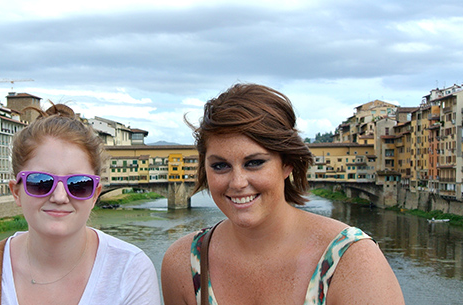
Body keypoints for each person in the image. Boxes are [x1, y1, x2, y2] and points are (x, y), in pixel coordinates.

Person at [161, 84, 404, 305]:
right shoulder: (184, 264)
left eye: (254, 162)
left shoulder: (354, 262)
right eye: (220, 166)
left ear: (287, 163)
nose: (237, 182)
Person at [0, 104, 160, 305]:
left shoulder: (130, 270)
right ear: (16, 192)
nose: (60, 197)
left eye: (78, 185)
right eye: (41, 182)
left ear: (95, 195)